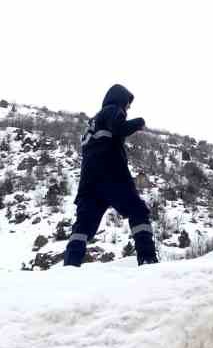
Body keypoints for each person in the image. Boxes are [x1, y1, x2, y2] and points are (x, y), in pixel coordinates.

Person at [63, 84, 158, 267]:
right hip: (112, 175)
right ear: (120, 99)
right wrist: (139, 122)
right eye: (127, 105)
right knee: (138, 211)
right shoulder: (113, 110)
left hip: (88, 183)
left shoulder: (92, 122)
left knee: (82, 227)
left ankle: (69, 266)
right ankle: (147, 260)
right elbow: (119, 128)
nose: (127, 109)